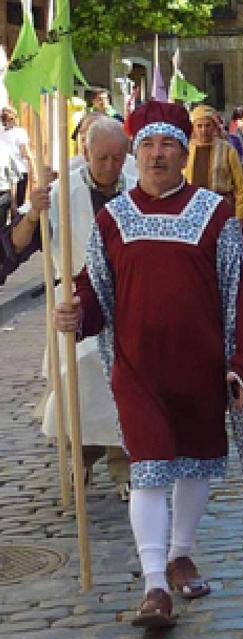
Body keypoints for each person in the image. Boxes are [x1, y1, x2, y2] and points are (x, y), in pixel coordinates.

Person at [53, 100, 243, 629]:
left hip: (200, 367)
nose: (157, 155)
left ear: (184, 154)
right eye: (148, 146)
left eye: (167, 146)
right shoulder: (112, 218)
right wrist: (77, 310)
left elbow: (239, 295)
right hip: (138, 370)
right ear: (135, 155)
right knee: (149, 469)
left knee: (197, 461)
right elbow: (96, 290)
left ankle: (181, 552)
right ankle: (154, 585)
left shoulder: (213, 213)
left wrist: (242, 366)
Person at [33, 119, 139, 500]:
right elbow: (21, 245)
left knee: (123, 383)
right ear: (85, 154)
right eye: (102, 158)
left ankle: (124, 465)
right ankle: (79, 457)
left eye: (117, 157)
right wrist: (34, 211)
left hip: (128, 299)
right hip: (77, 301)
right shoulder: (62, 193)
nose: (111, 165)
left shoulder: (137, 183)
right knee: (80, 378)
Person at [188, 105, 243, 276]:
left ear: (214, 127)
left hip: (222, 209)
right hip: (193, 210)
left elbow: (240, 185)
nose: (204, 130)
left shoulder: (227, 149)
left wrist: (242, 214)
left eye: (207, 125)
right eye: (200, 126)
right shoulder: (186, 151)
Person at [0, 106, 33, 226]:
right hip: (19, 170)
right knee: (17, 206)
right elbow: (27, 153)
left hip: (4, 173)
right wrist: (33, 170)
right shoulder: (20, 132)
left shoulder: (2, 133)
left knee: (5, 208)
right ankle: (14, 232)